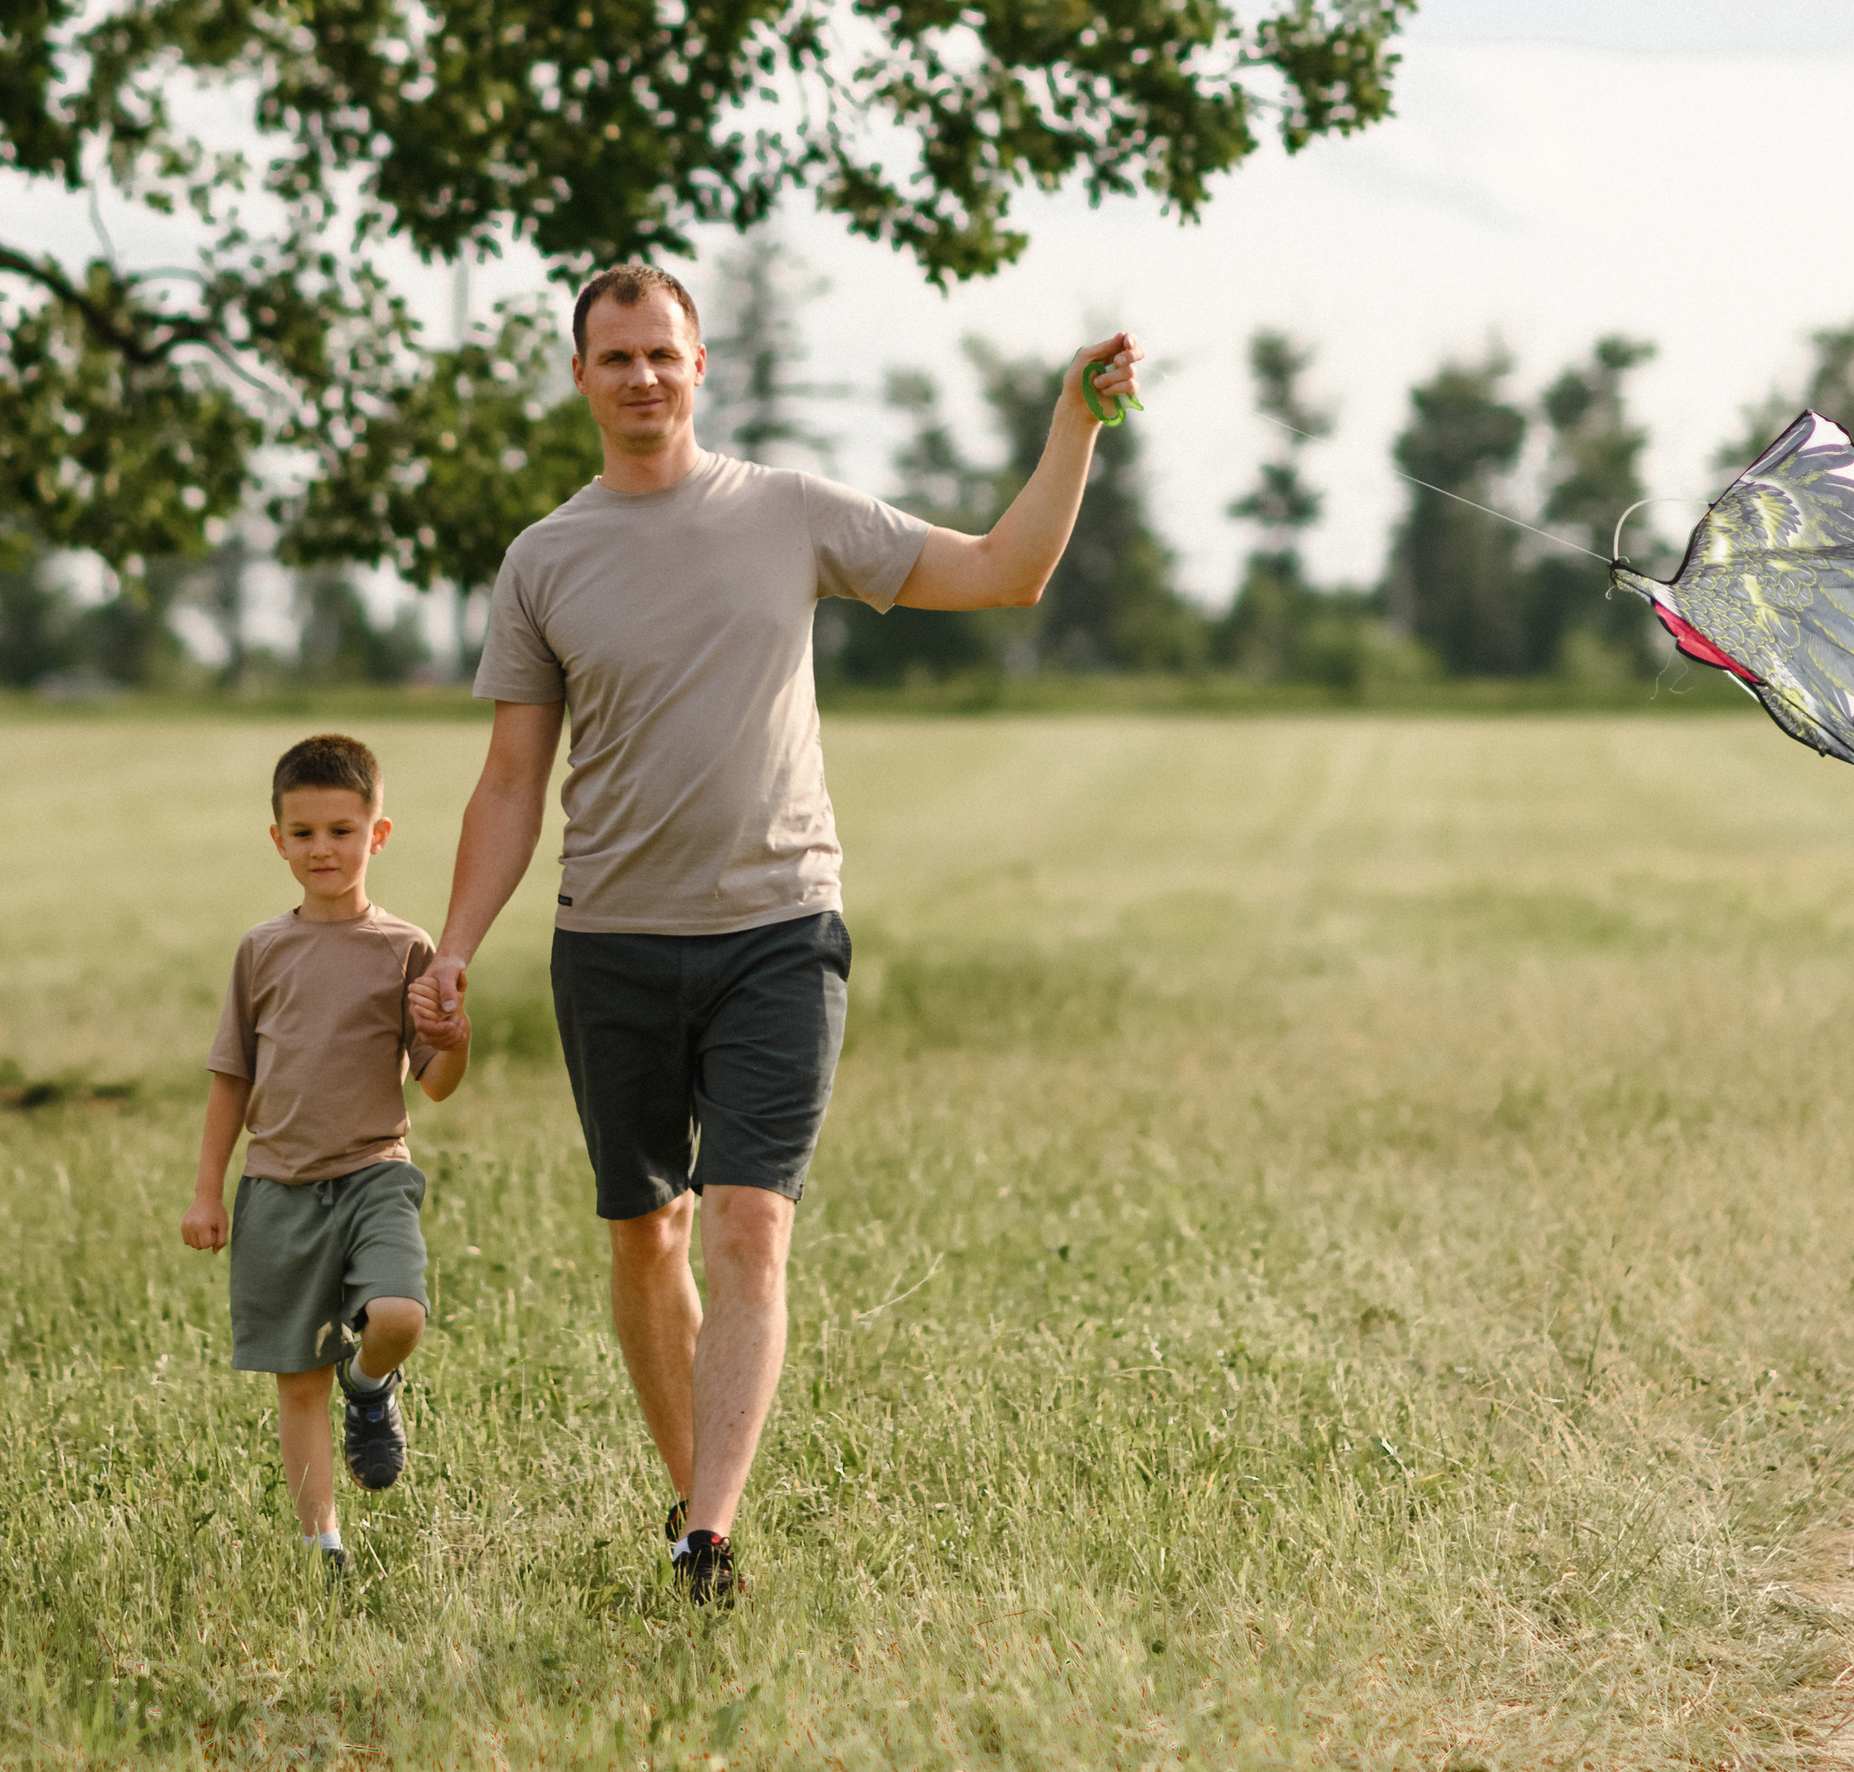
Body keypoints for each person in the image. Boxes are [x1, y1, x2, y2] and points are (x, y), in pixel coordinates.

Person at [410, 260, 1141, 1601]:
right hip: (611, 941)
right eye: (616, 356)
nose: (642, 375)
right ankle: (696, 1502)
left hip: (779, 932)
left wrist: (1072, 424)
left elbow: (1004, 573)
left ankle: (708, 1538)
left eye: (662, 352)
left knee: (748, 1222)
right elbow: (511, 782)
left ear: (700, 366)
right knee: (647, 1234)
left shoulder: (790, 512)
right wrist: (454, 947)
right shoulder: (544, 560)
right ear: (580, 378)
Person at [183, 730, 471, 1570]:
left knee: (399, 1316)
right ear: (277, 839)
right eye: (303, 833)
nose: (322, 849)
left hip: (375, 1174)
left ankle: (371, 1385)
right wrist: (208, 1192)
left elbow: (437, 1083)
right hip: (277, 1189)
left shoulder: (406, 947)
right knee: (299, 1379)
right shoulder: (261, 950)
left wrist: (455, 1037)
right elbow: (231, 1078)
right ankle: (323, 1546)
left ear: (378, 834)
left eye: (342, 831)